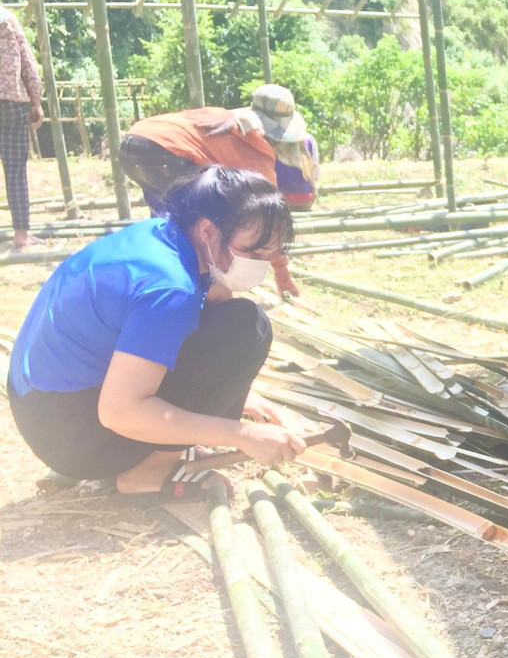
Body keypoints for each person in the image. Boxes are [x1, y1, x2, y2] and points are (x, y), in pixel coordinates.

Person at [6, 166, 306, 500]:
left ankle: (153, 452)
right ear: (208, 229)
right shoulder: (169, 288)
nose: (260, 265)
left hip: (41, 409)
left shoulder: (164, 235)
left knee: (236, 322)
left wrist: (241, 395)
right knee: (248, 329)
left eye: (269, 254)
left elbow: (215, 304)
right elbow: (120, 412)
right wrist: (241, 434)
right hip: (73, 438)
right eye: (253, 253)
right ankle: (145, 473)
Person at [118, 84, 318, 295]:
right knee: (200, 224)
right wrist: (281, 274)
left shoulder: (220, 117)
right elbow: (269, 222)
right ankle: (203, 292)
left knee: (167, 219)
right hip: (167, 154)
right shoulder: (258, 154)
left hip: (134, 144)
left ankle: (155, 278)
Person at [0, 7, 45, 251]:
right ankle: (21, 235)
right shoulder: (9, 21)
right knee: (16, 171)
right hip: (11, 105)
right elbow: (27, 62)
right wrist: (36, 102)